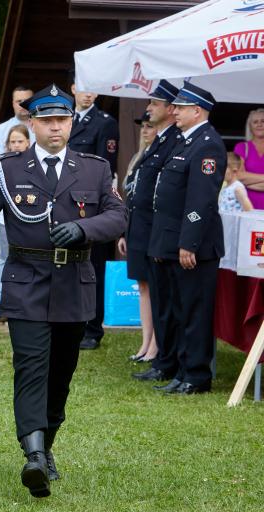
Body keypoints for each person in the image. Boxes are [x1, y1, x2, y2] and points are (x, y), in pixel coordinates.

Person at [0, 84, 127, 498]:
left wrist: (84, 228)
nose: (55, 127)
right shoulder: (8, 168)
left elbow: (118, 215)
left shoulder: (94, 168)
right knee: (31, 367)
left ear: (71, 123)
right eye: (46, 121)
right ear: (32, 124)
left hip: (73, 285)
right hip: (26, 282)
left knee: (60, 375)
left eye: (62, 120)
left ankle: (46, 444)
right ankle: (33, 455)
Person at [146, 82, 226, 395]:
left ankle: (196, 375)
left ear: (197, 110)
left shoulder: (207, 144)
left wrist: (188, 243)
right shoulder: (186, 141)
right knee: (180, 309)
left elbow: (201, 200)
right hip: (174, 240)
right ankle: (182, 370)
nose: (174, 111)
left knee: (194, 311)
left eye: (180, 107)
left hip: (195, 246)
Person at [128, 81, 184, 386]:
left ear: (171, 109)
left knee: (164, 297)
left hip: (159, 229)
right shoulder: (162, 140)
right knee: (154, 293)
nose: (149, 108)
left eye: (155, 104)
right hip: (146, 226)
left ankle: (162, 355)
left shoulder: (175, 140)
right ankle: (157, 354)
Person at [68, 73, 120, 350]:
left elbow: (104, 168)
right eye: (83, 88)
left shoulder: (105, 123)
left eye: (92, 89)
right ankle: (70, 322)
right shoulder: (65, 119)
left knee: (92, 269)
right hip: (63, 203)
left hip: (89, 207)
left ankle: (92, 328)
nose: (87, 94)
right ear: (73, 89)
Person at [118, 113, 158, 363]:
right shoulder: (138, 158)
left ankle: (155, 345)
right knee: (142, 286)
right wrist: (124, 232)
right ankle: (145, 342)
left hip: (153, 230)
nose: (145, 130)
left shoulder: (161, 157)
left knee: (155, 287)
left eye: (150, 126)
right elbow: (129, 200)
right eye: (143, 126)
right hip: (135, 229)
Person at [0, 124, 32, 321]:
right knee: (4, 258)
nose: (16, 145)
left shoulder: (36, 165)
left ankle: (24, 302)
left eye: (20, 141)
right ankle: (3, 302)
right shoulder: (1, 165)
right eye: (13, 142)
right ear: (8, 144)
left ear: (28, 143)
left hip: (28, 221)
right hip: (5, 220)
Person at [0, 85, 35, 159]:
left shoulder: (44, 128)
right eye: (19, 101)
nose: (23, 105)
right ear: (13, 103)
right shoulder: (0, 130)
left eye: (26, 101)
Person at [233, 108, 264, 209]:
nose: (259, 124)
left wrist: (247, 182)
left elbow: (242, 178)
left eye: (263, 121)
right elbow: (238, 176)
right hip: (247, 207)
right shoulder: (242, 147)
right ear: (250, 126)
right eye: (255, 122)